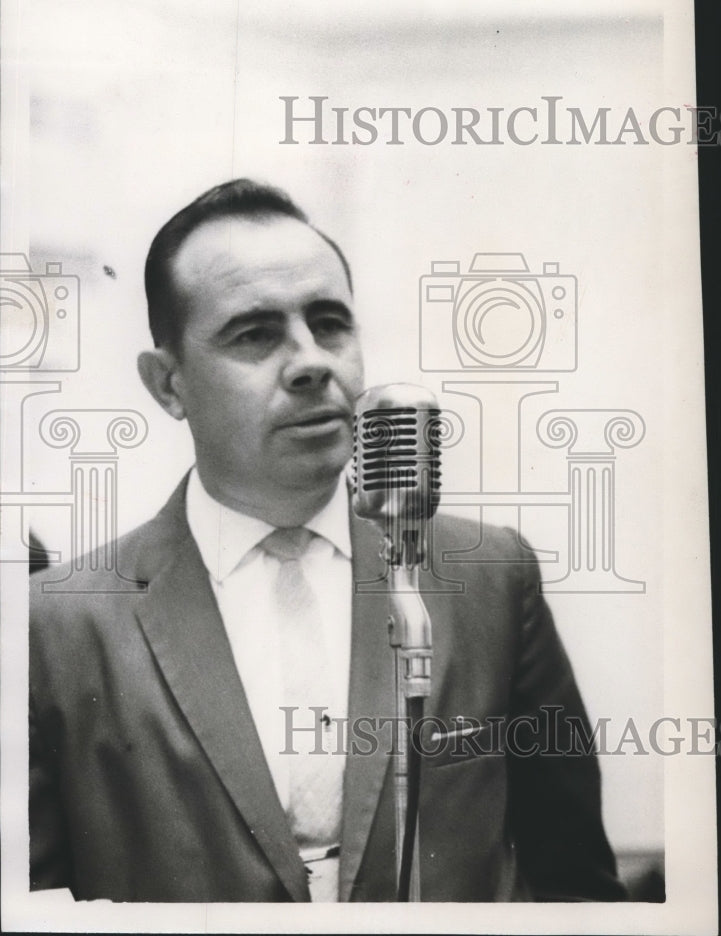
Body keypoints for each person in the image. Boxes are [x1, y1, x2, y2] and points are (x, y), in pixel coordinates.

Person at [29, 179, 626, 903]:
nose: (313, 362)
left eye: (330, 323)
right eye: (255, 334)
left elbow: (577, 884)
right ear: (167, 383)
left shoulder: (491, 577)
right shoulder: (53, 624)